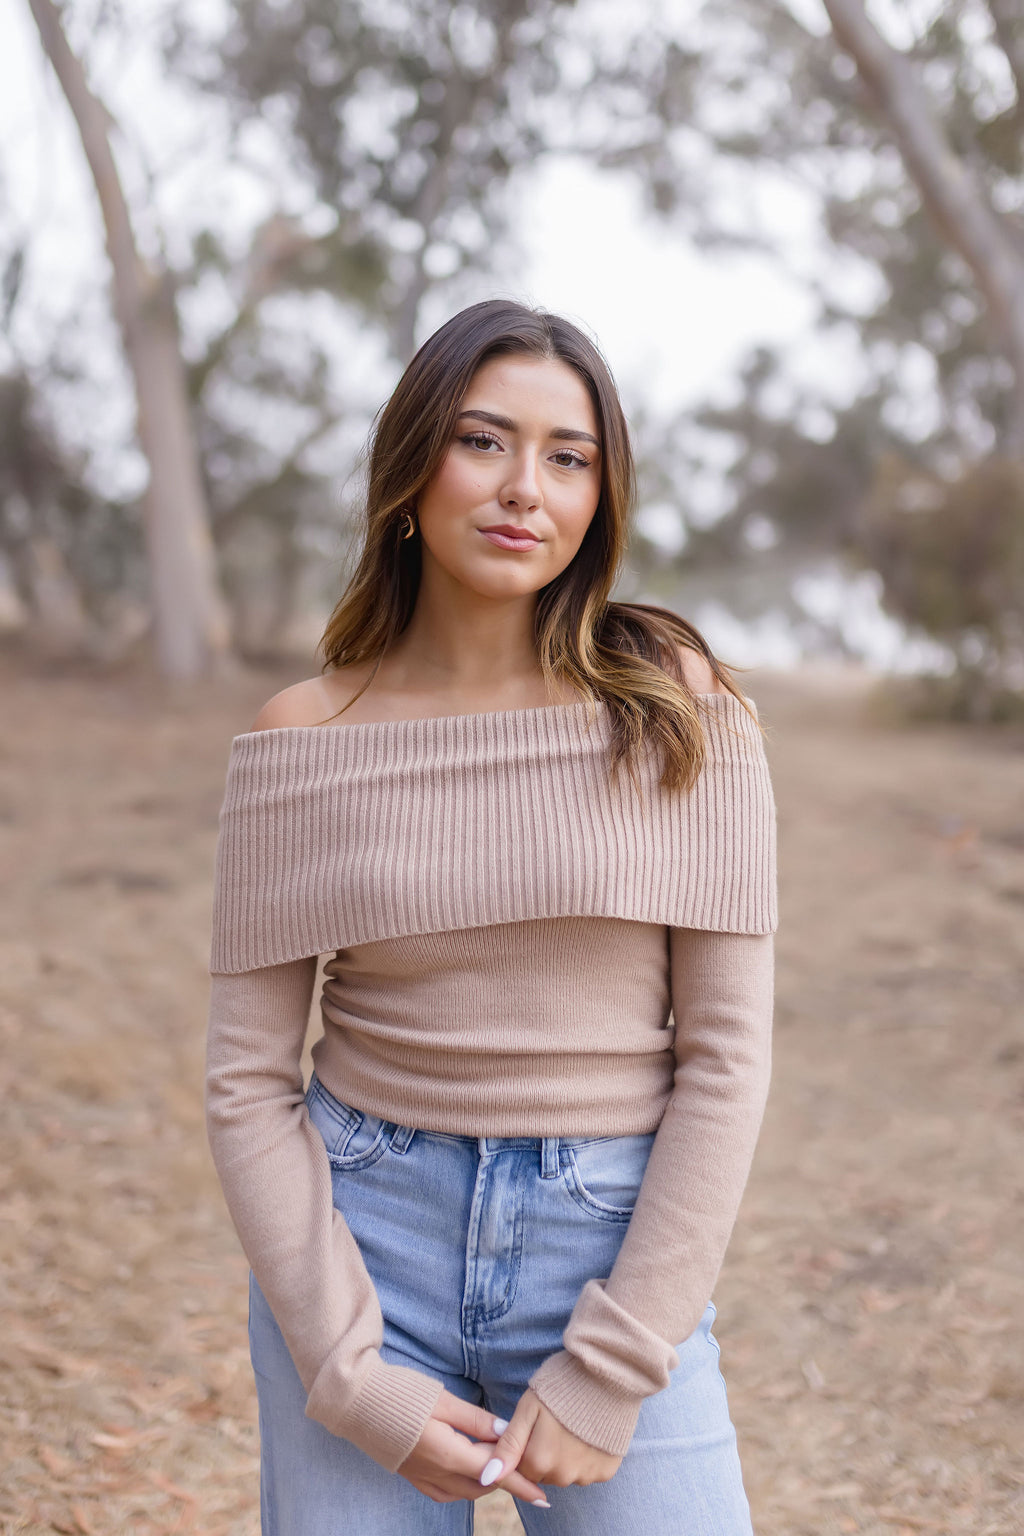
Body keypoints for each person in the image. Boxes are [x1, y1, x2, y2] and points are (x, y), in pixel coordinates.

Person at [205, 297, 778, 1535]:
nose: (527, 487)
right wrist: (352, 1379)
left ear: (600, 496)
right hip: (363, 1258)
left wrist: (615, 1365)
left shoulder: (677, 710)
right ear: (410, 471)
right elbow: (248, 1082)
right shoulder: (302, 736)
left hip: (608, 1257)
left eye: (567, 456)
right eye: (483, 441)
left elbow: (726, 1063)